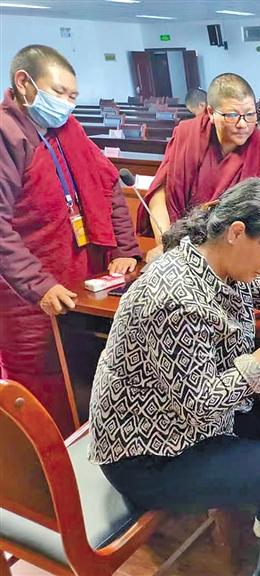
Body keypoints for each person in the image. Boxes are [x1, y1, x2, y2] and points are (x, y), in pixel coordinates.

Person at [90, 178, 260, 576]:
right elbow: (202, 406)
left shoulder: (212, 259)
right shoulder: (175, 299)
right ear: (237, 232)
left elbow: (258, 285)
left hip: (185, 428)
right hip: (151, 457)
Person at [0, 45, 140, 435]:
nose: (65, 104)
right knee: (43, 390)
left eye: (73, 96)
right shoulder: (7, 135)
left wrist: (124, 248)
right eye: (58, 92)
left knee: (89, 375)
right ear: (24, 83)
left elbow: (108, 184)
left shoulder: (67, 130)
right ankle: (50, 464)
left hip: (83, 282)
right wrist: (39, 285)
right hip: (29, 294)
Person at [138, 73, 260, 263]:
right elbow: (160, 194)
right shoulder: (187, 135)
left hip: (237, 256)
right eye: (232, 115)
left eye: (250, 114)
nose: (243, 124)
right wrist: (166, 243)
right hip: (182, 247)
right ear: (210, 112)